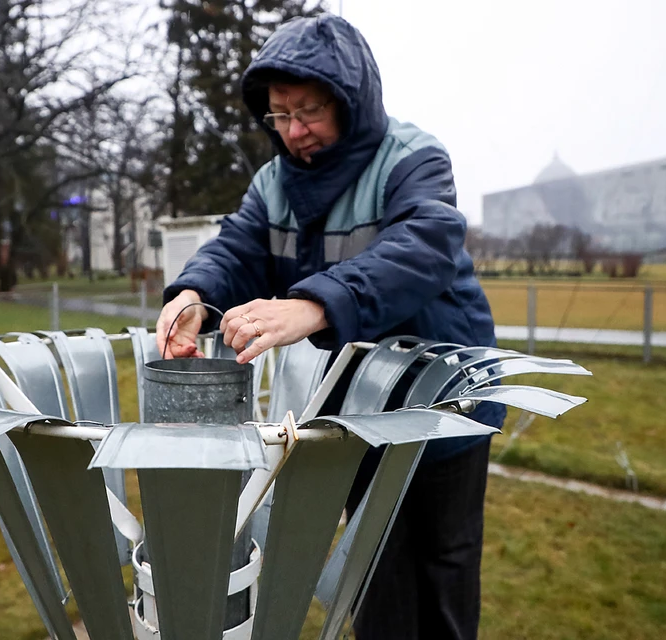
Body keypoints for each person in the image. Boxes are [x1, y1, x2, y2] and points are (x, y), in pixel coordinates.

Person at [154, 13, 504, 640]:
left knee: (445, 562)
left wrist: (314, 306)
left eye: (308, 111)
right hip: (362, 407)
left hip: (447, 397)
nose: (293, 132)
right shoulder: (273, 185)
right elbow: (235, 250)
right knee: (375, 568)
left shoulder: (411, 159)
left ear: (351, 100)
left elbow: (423, 248)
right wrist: (192, 294)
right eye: (278, 115)